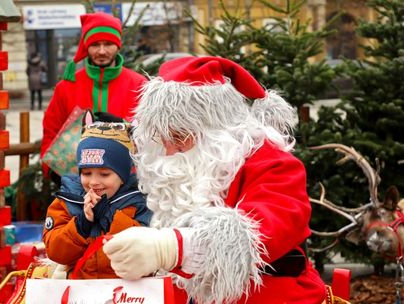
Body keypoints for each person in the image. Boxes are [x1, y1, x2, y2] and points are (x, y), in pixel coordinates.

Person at [102, 56, 330, 303]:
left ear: (216, 129)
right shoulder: (162, 169)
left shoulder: (273, 164)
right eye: (161, 137)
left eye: (180, 136)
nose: (169, 150)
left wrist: (172, 248)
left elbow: (265, 230)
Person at [40, 12, 147, 183]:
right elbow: (50, 131)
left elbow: (152, 133)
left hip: (128, 181)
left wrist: (125, 126)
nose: (102, 51)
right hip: (77, 180)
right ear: (86, 46)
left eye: (108, 44)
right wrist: (53, 172)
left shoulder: (139, 85)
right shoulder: (67, 87)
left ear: (118, 46)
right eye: (95, 44)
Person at [42, 114, 152, 279]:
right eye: (86, 173)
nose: (94, 182)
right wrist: (81, 226)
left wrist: (111, 217)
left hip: (127, 293)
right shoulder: (67, 201)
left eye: (104, 174)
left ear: (122, 174)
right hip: (80, 291)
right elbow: (55, 251)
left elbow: (147, 248)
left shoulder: (140, 201)